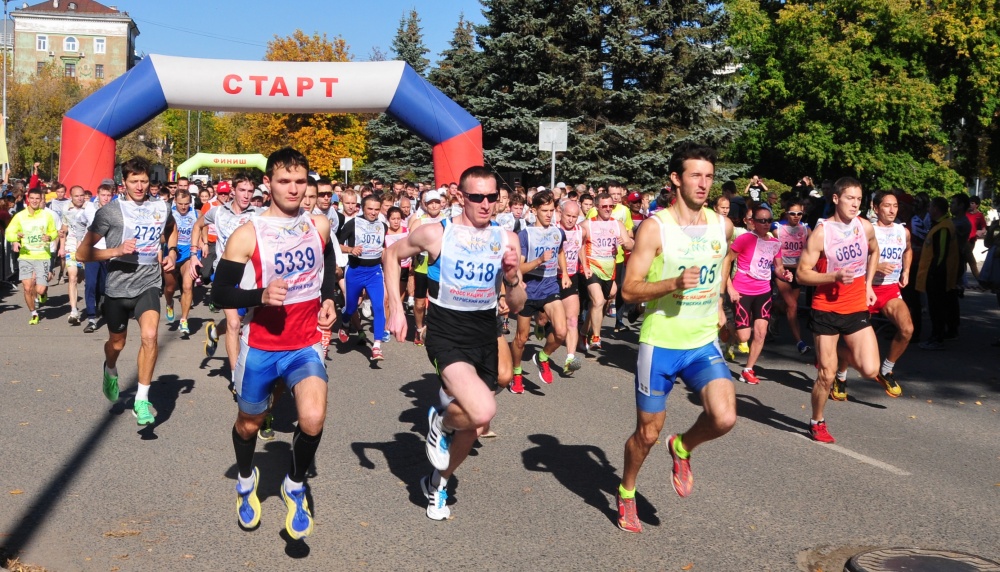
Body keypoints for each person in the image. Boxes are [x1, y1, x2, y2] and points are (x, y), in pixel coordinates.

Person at [383, 166, 525, 521]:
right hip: (446, 332)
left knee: (473, 425)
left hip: (485, 331)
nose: (486, 204)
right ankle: (442, 423)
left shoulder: (507, 239)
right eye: (477, 197)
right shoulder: (436, 233)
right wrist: (396, 309)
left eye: (492, 197)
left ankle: (438, 482)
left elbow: (518, 303)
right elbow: (391, 255)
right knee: (483, 412)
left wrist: (511, 279)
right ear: (460, 197)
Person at [212, 147, 337, 540]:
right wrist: (260, 296)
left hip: (305, 343)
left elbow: (327, 264)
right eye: (284, 181)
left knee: (312, 418)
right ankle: (245, 479)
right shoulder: (247, 233)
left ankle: (294, 485)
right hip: (261, 347)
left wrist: (330, 297)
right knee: (249, 423)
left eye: (300, 181)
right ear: (268, 183)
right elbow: (219, 292)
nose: (293, 189)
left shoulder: (318, 225)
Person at [616, 144, 735, 533]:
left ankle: (682, 446)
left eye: (709, 176)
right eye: (695, 175)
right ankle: (627, 490)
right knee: (648, 433)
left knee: (724, 417)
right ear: (676, 179)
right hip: (661, 344)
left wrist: (719, 301)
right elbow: (629, 290)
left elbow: (723, 260)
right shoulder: (655, 227)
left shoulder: (722, 225)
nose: (704, 183)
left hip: (701, 341)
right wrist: (672, 284)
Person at [76, 157, 178, 425]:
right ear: (124, 182)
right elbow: (82, 253)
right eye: (134, 181)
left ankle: (141, 400)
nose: (140, 186)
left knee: (150, 335)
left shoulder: (161, 207)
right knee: (117, 344)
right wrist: (116, 251)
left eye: (144, 181)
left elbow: (172, 228)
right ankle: (110, 368)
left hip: (148, 282)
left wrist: (171, 252)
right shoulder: (110, 212)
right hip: (118, 287)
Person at [795, 177, 881, 443]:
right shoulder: (822, 233)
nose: (855, 204)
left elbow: (874, 251)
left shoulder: (864, 226)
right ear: (835, 199)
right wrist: (833, 277)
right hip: (826, 310)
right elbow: (801, 274)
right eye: (849, 198)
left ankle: (835, 353)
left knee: (870, 369)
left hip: (855, 306)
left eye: (859, 199)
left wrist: (868, 284)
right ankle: (817, 421)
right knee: (827, 375)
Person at [191, 176, 259, 373]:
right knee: (234, 323)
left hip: (249, 275)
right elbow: (197, 226)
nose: (246, 195)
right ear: (233, 191)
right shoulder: (218, 212)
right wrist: (194, 253)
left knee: (242, 322)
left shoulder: (259, 214)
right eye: (242, 190)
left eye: (250, 191)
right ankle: (236, 377)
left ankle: (214, 331)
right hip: (225, 275)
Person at [509, 190, 569, 393]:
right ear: (534, 211)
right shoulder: (525, 235)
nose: (549, 214)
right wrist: (539, 260)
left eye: (552, 210)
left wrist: (565, 273)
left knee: (561, 332)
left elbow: (560, 251)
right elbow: (519, 268)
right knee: (521, 339)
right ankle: (516, 373)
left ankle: (542, 357)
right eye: (544, 210)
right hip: (528, 291)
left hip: (550, 286)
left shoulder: (558, 232)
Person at [726, 206, 793, 384]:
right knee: (744, 337)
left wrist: (784, 274)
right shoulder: (745, 239)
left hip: (763, 291)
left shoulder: (774, 243)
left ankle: (748, 369)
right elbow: (726, 261)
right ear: (753, 222)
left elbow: (778, 267)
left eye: (769, 220)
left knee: (761, 333)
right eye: (762, 220)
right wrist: (729, 287)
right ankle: (728, 327)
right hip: (742, 290)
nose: (766, 224)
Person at [861, 190, 910, 395]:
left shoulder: (902, 231)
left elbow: (908, 250)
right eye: (887, 205)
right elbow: (854, 260)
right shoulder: (868, 230)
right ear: (876, 208)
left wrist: (906, 271)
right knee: (852, 337)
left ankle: (886, 370)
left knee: (907, 329)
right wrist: (876, 266)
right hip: (866, 288)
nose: (892, 210)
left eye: (895, 206)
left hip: (890, 289)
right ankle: (840, 377)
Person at [337, 193, 388, 362]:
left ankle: (377, 346)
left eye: (376, 209)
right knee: (351, 307)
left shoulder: (383, 226)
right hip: (355, 270)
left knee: (378, 306)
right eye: (370, 209)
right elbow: (337, 245)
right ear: (363, 208)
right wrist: (350, 249)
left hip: (374, 272)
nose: (373, 212)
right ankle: (345, 321)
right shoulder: (353, 223)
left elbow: (385, 248)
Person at [582, 192, 634, 351]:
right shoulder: (587, 225)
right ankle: (596, 337)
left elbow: (631, 244)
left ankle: (584, 331)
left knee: (608, 297)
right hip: (592, 267)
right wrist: (583, 266)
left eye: (611, 206)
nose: (608, 209)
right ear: (597, 207)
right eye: (604, 206)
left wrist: (626, 243)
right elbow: (577, 244)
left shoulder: (617, 224)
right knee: (598, 301)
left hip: (609, 270)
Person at [5, 187, 58, 324]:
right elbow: (9, 233)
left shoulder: (47, 216)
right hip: (25, 256)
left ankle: (43, 293)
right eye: (32, 198)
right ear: (28, 199)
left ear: (41, 200)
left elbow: (54, 232)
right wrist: (16, 237)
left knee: (40, 289)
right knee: (27, 287)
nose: (34, 201)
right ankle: (34, 314)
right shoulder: (20, 216)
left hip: (42, 255)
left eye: (37, 199)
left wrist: (49, 237)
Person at [916, 197, 960, 350]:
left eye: (930, 207)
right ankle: (941, 334)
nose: (928, 210)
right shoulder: (942, 225)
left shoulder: (943, 227)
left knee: (937, 308)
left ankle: (937, 337)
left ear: (935, 209)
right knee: (940, 306)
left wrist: (933, 273)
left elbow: (941, 254)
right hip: (939, 274)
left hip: (938, 275)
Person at [772, 198, 812, 354]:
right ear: (786, 213)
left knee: (789, 306)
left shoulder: (806, 229)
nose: (796, 216)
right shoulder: (777, 228)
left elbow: (814, 247)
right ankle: (799, 342)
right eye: (792, 213)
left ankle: (773, 309)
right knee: (793, 306)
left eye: (799, 213)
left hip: (798, 271)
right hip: (782, 270)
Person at [556, 199, 590, 374]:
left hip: (571, 277)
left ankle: (570, 358)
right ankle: (540, 323)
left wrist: (585, 265)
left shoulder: (581, 231)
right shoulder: (553, 230)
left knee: (572, 319)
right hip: (551, 278)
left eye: (574, 217)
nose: (570, 220)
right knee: (544, 319)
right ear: (560, 213)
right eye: (568, 215)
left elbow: (581, 247)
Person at [164, 189, 198, 336]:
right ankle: (169, 303)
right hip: (171, 254)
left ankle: (184, 320)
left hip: (188, 255)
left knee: (187, 286)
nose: (183, 207)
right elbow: (161, 235)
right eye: (180, 204)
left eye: (186, 204)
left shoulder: (196, 214)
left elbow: (202, 229)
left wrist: (203, 243)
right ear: (175, 202)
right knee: (170, 288)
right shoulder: (168, 214)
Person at [81, 183, 114, 333]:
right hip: (92, 252)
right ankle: (91, 318)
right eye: (103, 195)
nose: (106, 198)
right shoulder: (90, 209)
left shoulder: (115, 210)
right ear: (98, 195)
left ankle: (102, 301)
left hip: (108, 252)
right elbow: (80, 223)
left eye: (108, 195)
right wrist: (80, 243)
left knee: (103, 285)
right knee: (90, 284)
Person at [58, 185, 89, 324]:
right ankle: (74, 311)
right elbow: (64, 228)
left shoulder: (90, 208)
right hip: (71, 247)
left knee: (81, 276)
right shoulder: (66, 209)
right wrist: (61, 247)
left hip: (87, 248)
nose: (80, 198)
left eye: (82, 195)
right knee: (72, 277)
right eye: (76, 196)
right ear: (71, 197)